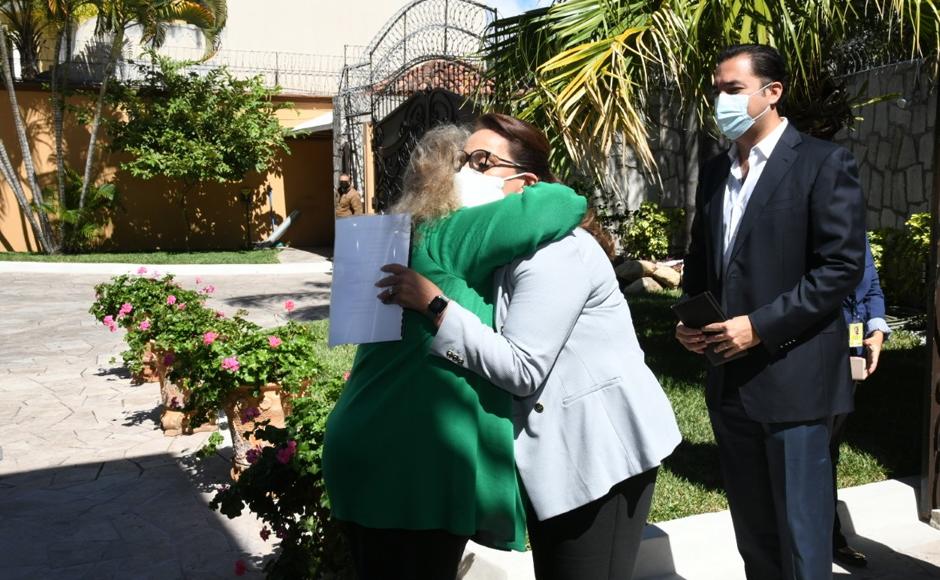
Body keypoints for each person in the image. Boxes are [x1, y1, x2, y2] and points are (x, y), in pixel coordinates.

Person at [378, 112, 682, 580]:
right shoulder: (506, 245)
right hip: (556, 456)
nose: (464, 173)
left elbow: (522, 368)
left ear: (526, 183)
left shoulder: (556, 252)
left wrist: (435, 306)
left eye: (482, 162)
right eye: (462, 161)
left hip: (596, 453)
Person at [322, 124, 588, 580]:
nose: (474, 173)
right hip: (410, 465)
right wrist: (529, 184)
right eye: (469, 162)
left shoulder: (403, 237)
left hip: (361, 442)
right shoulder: (455, 234)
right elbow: (565, 202)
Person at [676, 44, 866, 580]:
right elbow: (702, 260)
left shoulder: (822, 163)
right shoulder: (716, 171)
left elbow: (840, 268)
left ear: (772, 92)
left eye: (733, 89)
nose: (721, 100)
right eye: (717, 90)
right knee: (755, 539)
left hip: (794, 381)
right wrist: (690, 322)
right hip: (729, 382)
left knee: (802, 542)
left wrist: (758, 327)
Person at [832, 239, 890, 568]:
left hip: (850, 359)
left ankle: (829, 535)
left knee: (828, 451)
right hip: (812, 361)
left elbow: (873, 289)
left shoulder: (856, 233)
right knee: (812, 452)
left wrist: (877, 331)